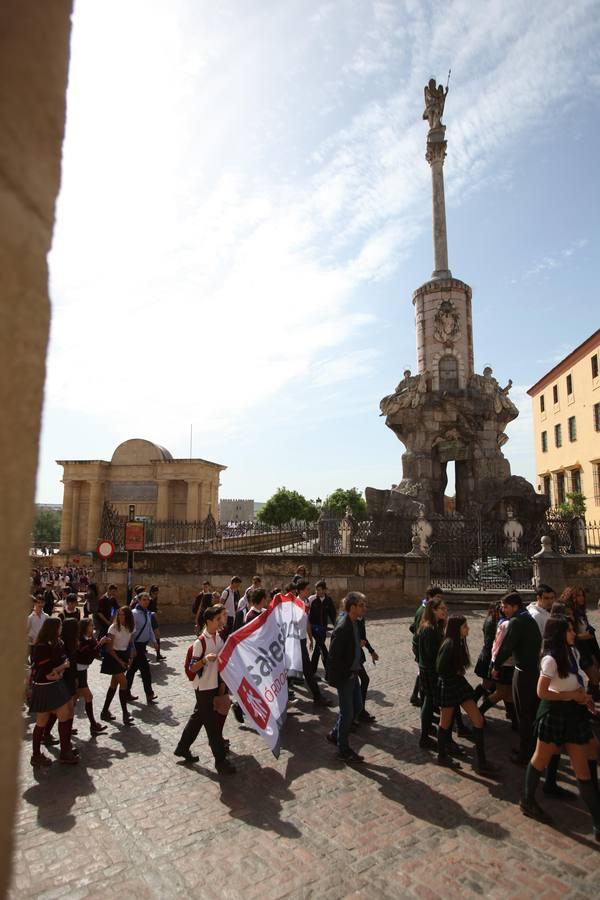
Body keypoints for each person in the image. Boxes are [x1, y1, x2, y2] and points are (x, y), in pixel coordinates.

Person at [520, 615, 600, 841]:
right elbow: (542, 692)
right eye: (570, 630)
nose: (574, 633)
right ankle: (527, 800)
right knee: (540, 759)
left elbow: (574, 681)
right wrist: (571, 695)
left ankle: (597, 822)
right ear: (559, 633)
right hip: (554, 715)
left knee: (582, 768)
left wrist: (583, 697)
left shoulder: (572, 653)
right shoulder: (550, 660)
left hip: (573, 716)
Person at [173, 604, 236, 775]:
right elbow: (193, 668)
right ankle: (221, 761)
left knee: (198, 718)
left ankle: (182, 747)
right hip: (203, 688)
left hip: (213, 685)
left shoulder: (219, 639)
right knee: (211, 726)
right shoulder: (199, 642)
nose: (221, 621)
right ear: (209, 621)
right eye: (217, 619)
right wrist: (206, 660)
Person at [436, 615, 495, 774]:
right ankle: (441, 756)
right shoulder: (449, 644)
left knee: (478, 719)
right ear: (457, 629)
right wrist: (454, 673)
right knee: (445, 723)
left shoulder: (459, 642)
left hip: (458, 684)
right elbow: (440, 668)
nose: (468, 629)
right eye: (464, 626)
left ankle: (482, 762)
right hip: (449, 685)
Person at [492, 591, 542, 766]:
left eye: (505, 607)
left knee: (524, 715)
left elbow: (506, 647)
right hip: (532, 670)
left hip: (523, 672)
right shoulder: (528, 619)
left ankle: (525, 753)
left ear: (515, 606)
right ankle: (531, 749)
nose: (503, 610)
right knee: (529, 712)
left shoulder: (516, 621)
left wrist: (495, 665)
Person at [29, 618, 78, 766]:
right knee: (45, 720)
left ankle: (64, 748)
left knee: (66, 712)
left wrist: (60, 669)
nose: (61, 628)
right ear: (53, 628)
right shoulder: (42, 646)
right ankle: (60, 753)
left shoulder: (57, 643)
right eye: (59, 626)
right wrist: (62, 667)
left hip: (55, 683)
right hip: (45, 686)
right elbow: (47, 672)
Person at [326, 592, 367, 763]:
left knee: (357, 708)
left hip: (354, 673)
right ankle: (343, 749)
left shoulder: (355, 622)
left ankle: (335, 733)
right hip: (346, 677)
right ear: (352, 607)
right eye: (361, 605)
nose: (364, 608)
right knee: (347, 714)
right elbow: (334, 657)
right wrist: (346, 675)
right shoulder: (343, 627)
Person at [292, 579, 331, 707]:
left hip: (302, 640)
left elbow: (307, 621)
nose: (310, 591)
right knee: (306, 670)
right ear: (301, 590)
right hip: (296, 641)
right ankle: (317, 697)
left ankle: (316, 696)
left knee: (303, 670)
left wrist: (310, 637)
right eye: (307, 589)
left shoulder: (306, 602)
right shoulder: (295, 604)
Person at [417, 596, 447, 748]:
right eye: (442, 609)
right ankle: (424, 736)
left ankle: (427, 731)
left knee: (429, 702)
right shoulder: (428, 628)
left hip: (429, 668)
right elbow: (432, 653)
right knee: (428, 702)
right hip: (429, 670)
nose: (445, 611)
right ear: (433, 610)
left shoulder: (434, 626)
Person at [561, 586, 600, 700]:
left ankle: (592, 695)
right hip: (580, 649)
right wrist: (585, 635)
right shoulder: (568, 613)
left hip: (589, 646)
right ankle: (590, 696)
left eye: (582, 595)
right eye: (578, 595)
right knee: (595, 676)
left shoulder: (580, 611)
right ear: (571, 597)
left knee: (596, 671)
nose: (581, 598)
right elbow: (568, 636)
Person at [409, 586, 444, 707]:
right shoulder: (424, 611)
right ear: (430, 597)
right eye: (438, 597)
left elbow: (413, 627)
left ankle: (415, 696)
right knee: (424, 671)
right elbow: (416, 628)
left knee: (421, 671)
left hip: (419, 644)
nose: (440, 600)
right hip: (420, 645)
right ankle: (423, 699)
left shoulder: (423, 609)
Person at [100, 606, 135, 725]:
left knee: (114, 684)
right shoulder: (113, 628)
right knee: (124, 683)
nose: (120, 617)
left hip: (123, 655)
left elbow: (130, 642)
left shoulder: (130, 627)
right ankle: (125, 713)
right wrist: (119, 661)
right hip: (113, 657)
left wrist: (130, 658)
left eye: (123, 615)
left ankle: (105, 711)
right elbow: (109, 648)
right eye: (119, 614)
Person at [76, 618, 108, 735]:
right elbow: (88, 655)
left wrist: (100, 643)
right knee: (88, 697)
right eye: (91, 625)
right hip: (77, 673)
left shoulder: (90, 639)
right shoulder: (80, 640)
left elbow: (94, 652)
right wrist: (100, 644)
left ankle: (92, 725)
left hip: (82, 671)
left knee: (73, 701)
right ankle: (93, 725)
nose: (93, 627)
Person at [126, 592, 158, 705]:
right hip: (136, 646)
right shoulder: (134, 614)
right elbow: (130, 632)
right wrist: (132, 647)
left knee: (131, 670)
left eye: (147, 599)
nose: (146, 601)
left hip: (142, 646)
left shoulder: (147, 613)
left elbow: (149, 628)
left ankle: (125, 692)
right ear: (138, 601)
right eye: (144, 599)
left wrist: (154, 641)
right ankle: (149, 694)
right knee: (145, 670)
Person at [356, 599, 378, 724]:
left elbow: (363, 638)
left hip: (357, 656)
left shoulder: (361, 619)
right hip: (350, 658)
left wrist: (371, 651)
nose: (365, 609)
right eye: (361, 606)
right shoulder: (348, 621)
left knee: (363, 680)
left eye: (365, 606)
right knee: (363, 680)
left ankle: (360, 711)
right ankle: (357, 713)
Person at [473, 601, 500, 702]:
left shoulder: (493, 620)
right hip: (488, 655)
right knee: (486, 683)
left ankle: (484, 697)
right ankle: (473, 699)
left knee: (492, 683)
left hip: (489, 654)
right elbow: (489, 642)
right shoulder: (491, 622)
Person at [308, 580, 337, 674]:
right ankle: (329, 671)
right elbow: (307, 615)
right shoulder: (312, 599)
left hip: (323, 629)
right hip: (314, 629)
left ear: (324, 590)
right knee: (323, 648)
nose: (317, 592)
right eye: (316, 590)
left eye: (319, 590)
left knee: (318, 649)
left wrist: (336, 627)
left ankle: (312, 671)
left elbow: (333, 615)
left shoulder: (328, 600)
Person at [27, 597, 48, 661]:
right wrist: (30, 639)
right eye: (38, 602)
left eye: (42, 603)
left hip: (43, 644)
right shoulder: (30, 617)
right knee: (34, 661)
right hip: (33, 644)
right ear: (35, 603)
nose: (40, 604)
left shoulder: (46, 616)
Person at [148, 585, 166, 661]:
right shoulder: (147, 599)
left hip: (152, 619)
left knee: (157, 635)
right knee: (145, 637)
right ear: (151, 592)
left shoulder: (155, 599)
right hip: (147, 618)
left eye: (157, 593)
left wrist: (157, 611)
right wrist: (152, 612)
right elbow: (145, 609)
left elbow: (154, 608)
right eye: (155, 593)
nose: (156, 595)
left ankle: (158, 654)